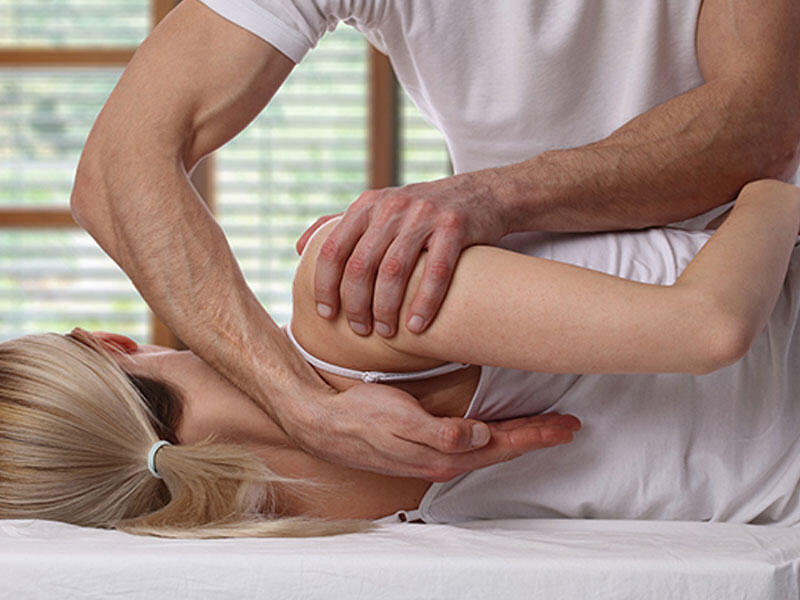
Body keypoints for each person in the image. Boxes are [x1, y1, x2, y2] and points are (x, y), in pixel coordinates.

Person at [69, 0, 800, 480]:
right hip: (669, 278)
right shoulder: (359, 315)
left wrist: (495, 195)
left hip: (735, 261)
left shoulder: (355, 325)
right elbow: (117, 169)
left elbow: (762, 125)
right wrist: (302, 408)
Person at [5, 179, 800, 537]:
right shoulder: (345, 302)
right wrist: (770, 188)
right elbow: (709, 330)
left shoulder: (305, 524)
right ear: (108, 342)